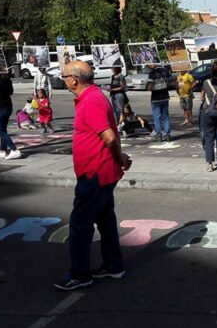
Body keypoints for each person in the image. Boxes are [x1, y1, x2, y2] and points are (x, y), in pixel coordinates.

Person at [54, 60, 131, 291]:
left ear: (74, 80)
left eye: (64, 75)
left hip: (95, 173)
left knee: (80, 225)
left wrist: (120, 158)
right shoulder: (92, 97)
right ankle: (113, 266)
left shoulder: (91, 101)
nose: (63, 79)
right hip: (101, 171)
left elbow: (108, 137)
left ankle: (80, 274)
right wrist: (120, 157)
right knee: (105, 220)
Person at [146, 64, 172, 141]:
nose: (148, 66)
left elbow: (150, 87)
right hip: (165, 97)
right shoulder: (165, 71)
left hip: (155, 98)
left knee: (157, 118)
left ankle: (159, 135)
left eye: (149, 64)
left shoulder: (152, 74)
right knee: (166, 117)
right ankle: (168, 135)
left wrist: (150, 86)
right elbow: (171, 82)